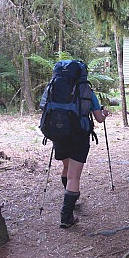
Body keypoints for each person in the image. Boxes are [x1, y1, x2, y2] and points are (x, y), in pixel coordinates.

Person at [54, 85, 109, 229]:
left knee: (66, 167)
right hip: (79, 135)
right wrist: (105, 114)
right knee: (74, 177)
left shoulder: (57, 88)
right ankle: (66, 216)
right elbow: (99, 118)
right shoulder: (87, 92)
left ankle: (71, 200)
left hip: (59, 132)